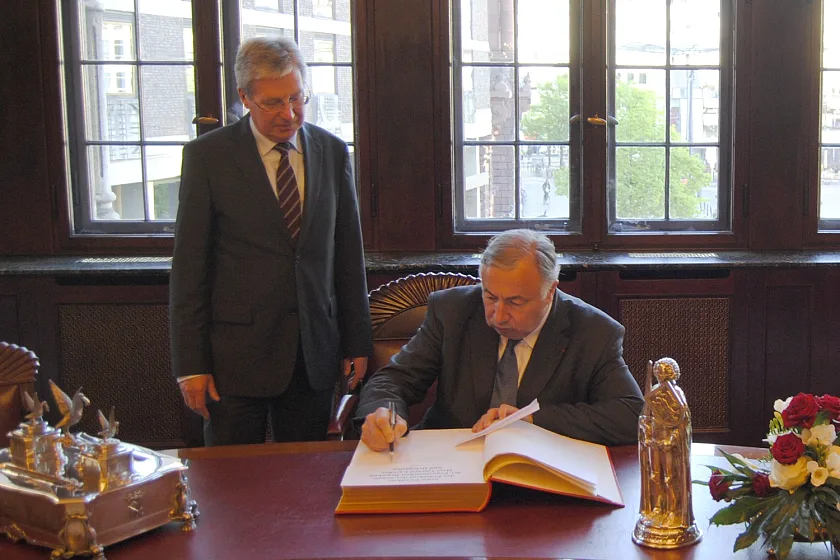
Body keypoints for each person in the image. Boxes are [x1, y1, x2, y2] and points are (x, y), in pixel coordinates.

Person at [170, 37, 372, 446]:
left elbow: (348, 255)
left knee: (307, 484)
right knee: (231, 488)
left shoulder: (331, 152)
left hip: (312, 354)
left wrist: (356, 341)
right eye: (273, 103)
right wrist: (190, 365)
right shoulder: (209, 158)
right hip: (234, 361)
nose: (289, 113)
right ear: (245, 98)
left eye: (297, 98)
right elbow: (190, 269)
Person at [357, 229, 643, 450]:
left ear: (550, 291)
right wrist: (385, 413)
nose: (498, 316)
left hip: (540, 472)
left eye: (516, 302)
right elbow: (392, 380)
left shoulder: (593, 331)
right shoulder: (452, 312)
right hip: (450, 460)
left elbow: (631, 415)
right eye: (490, 297)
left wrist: (529, 419)